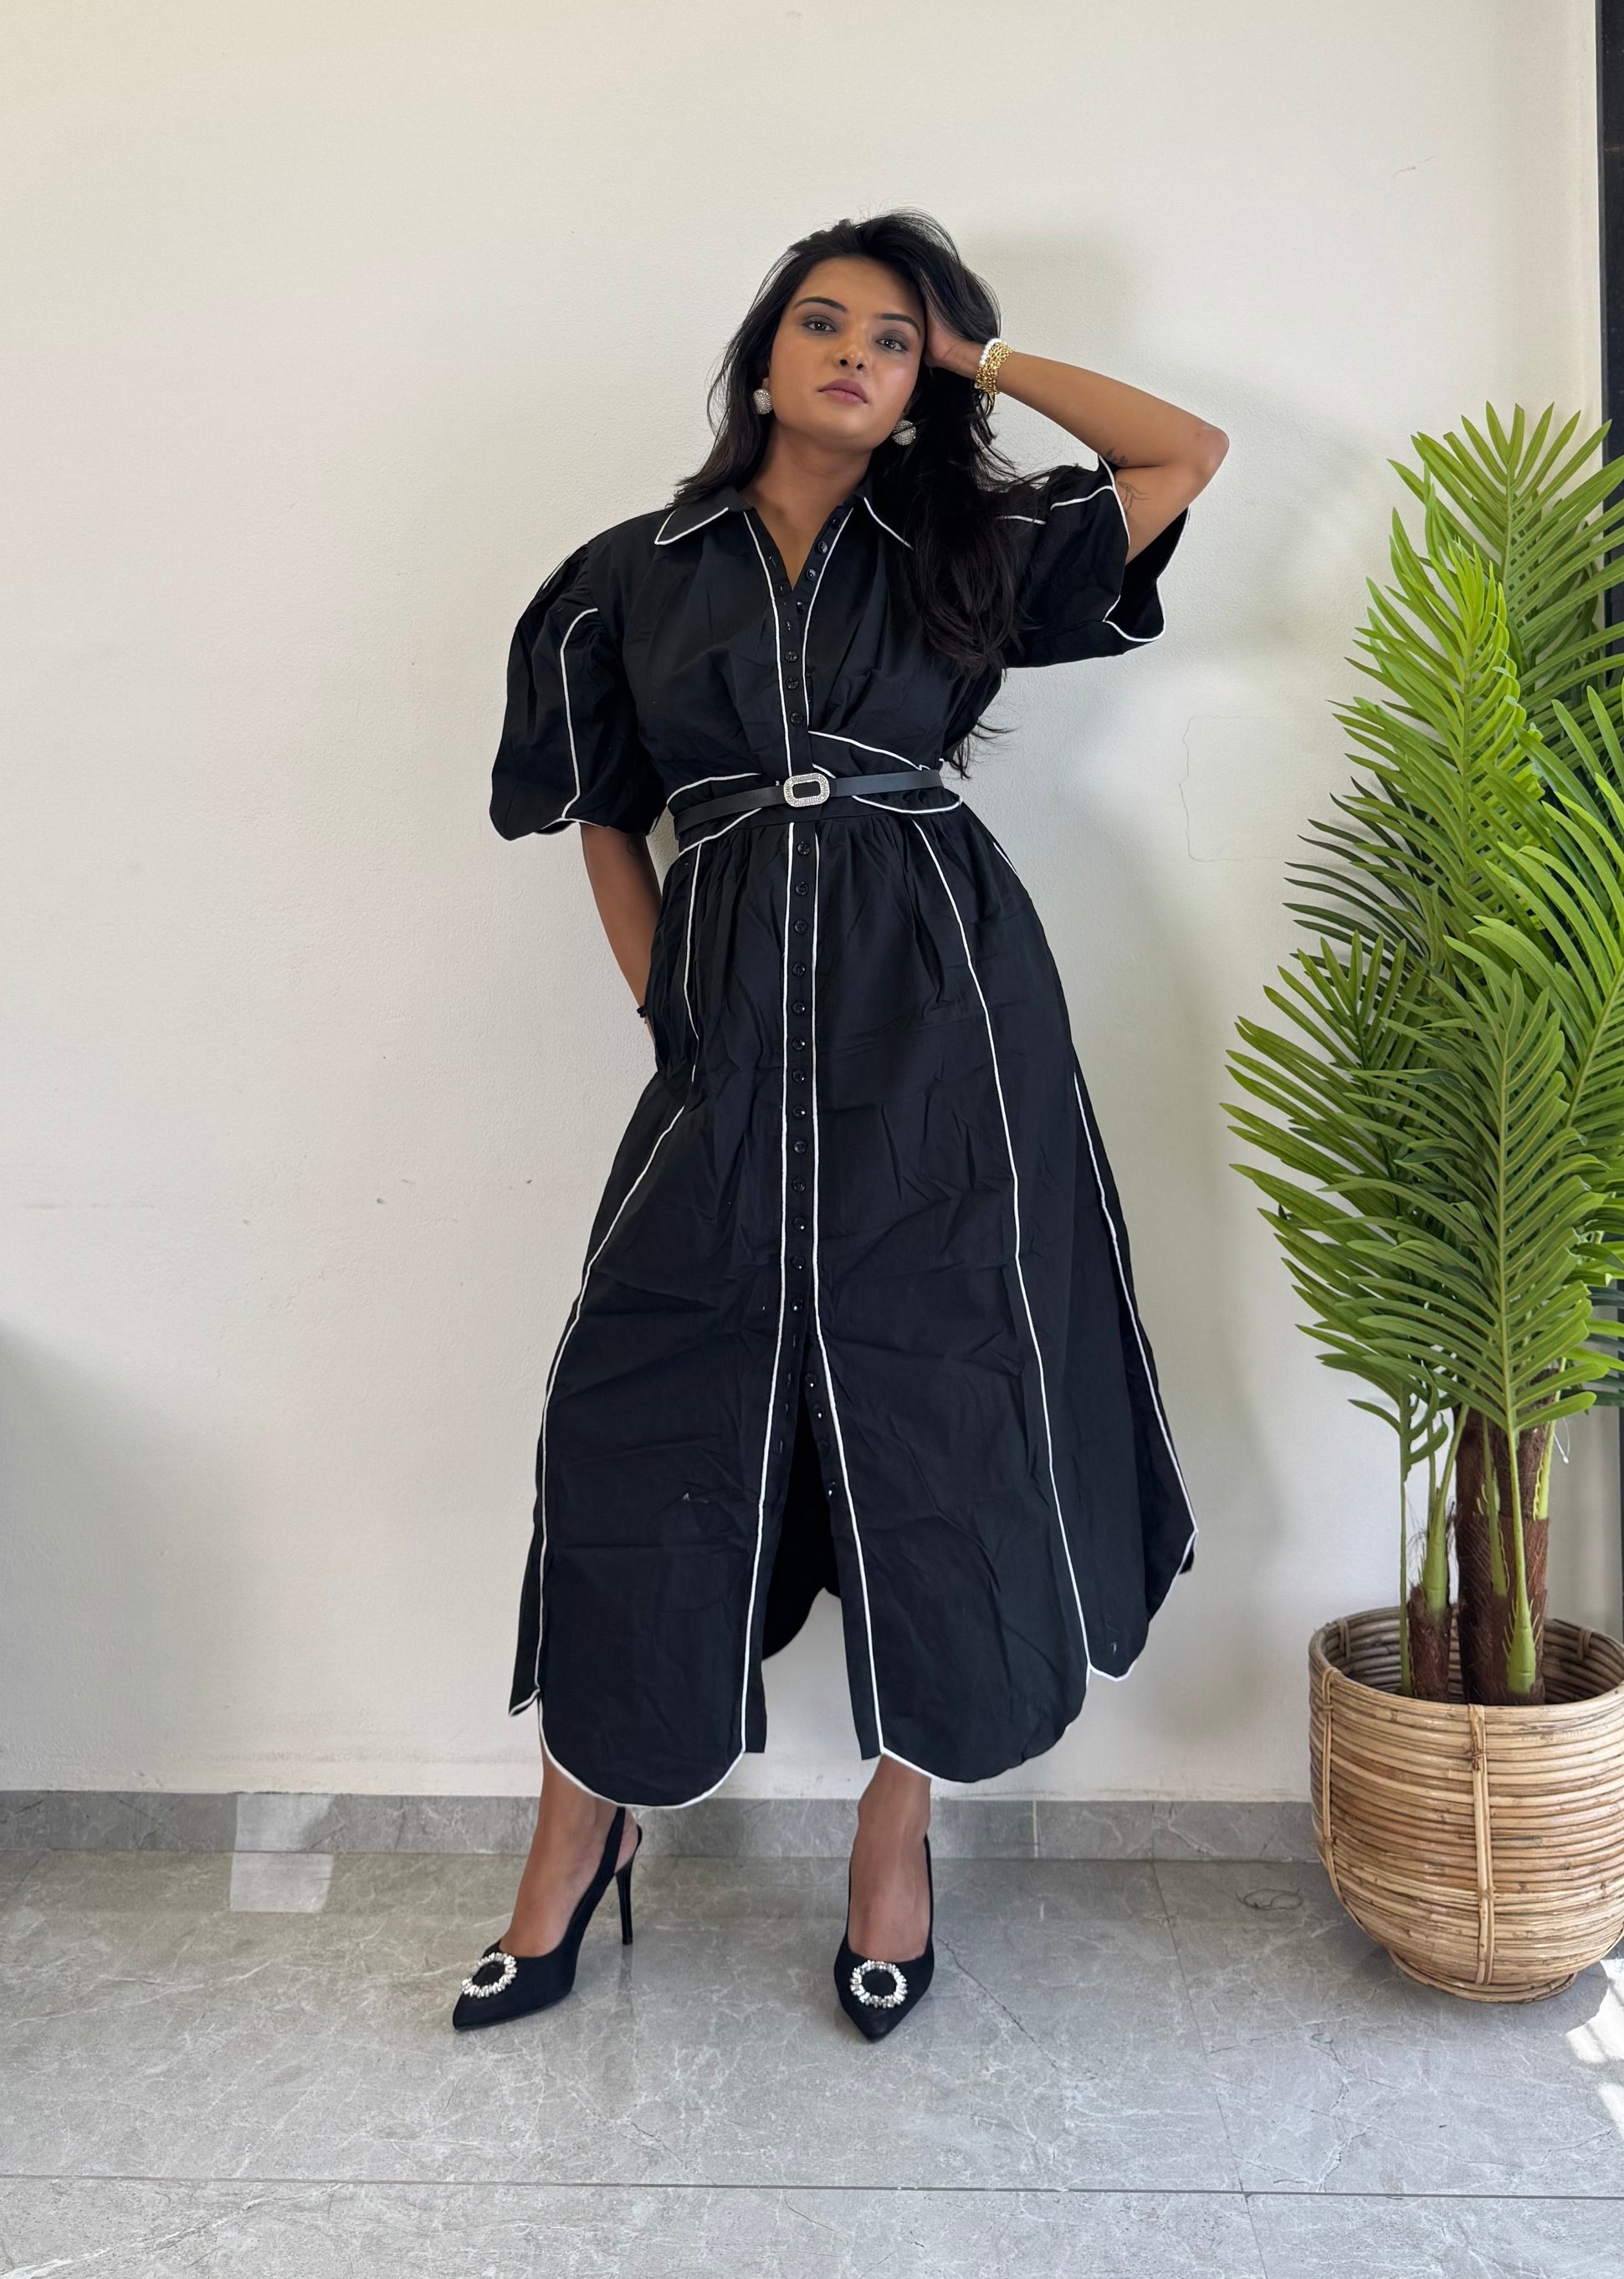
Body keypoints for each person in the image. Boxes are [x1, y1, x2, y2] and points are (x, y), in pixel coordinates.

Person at [453, 210, 1227, 2041]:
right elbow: (604, 815)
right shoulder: (627, 576)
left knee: (945, 1386)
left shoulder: (960, 547)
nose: (857, 355)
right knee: (641, 1398)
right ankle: (582, 1825)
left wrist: (976, 358)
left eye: (893, 339)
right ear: (761, 351)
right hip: (729, 1027)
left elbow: (1178, 456)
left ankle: (899, 1826)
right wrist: (668, 1009)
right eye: (826, 322)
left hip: (945, 1012)